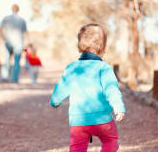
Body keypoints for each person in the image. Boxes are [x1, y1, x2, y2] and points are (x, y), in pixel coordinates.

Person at [50, 23, 126, 152]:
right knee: (110, 141)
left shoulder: (72, 68)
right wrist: (118, 108)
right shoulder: (104, 68)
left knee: (77, 148)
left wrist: (55, 101)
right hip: (103, 120)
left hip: (78, 120)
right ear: (103, 48)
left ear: (79, 45)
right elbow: (112, 89)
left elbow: (62, 87)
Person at [0, 4, 28, 83]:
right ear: (18, 10)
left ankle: (4, 77)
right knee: (16, 62)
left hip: (8, 42)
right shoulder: (22, 20)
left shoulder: (6, 18)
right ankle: (14, 79)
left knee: (7, 59)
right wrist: (26, 43)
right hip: (18, 43)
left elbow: (0, 30)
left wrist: (4, 39)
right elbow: (25, 33)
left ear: (12, 9)